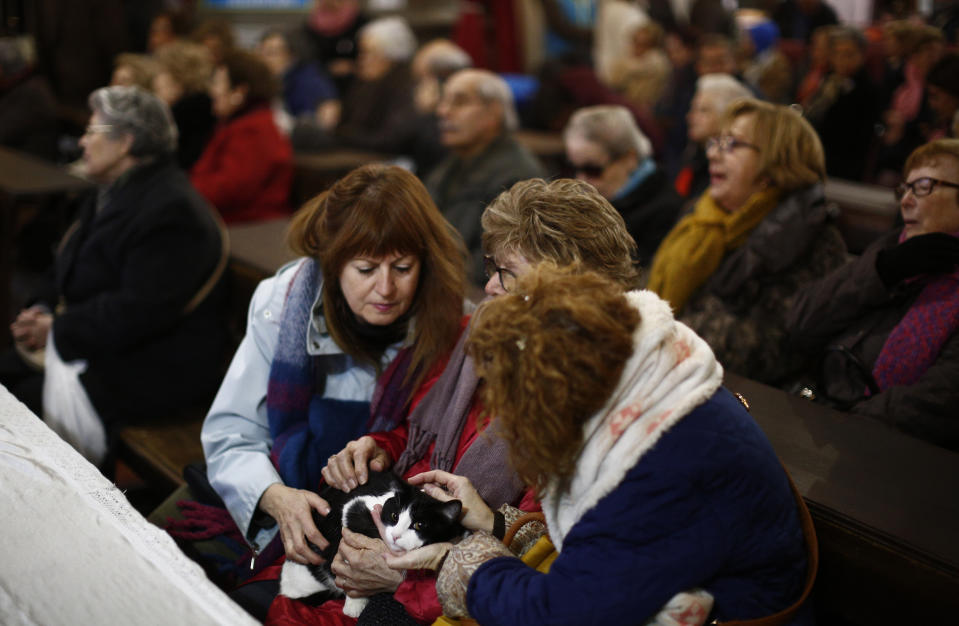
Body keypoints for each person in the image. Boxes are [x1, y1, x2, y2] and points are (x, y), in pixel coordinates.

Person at [264, 177, 641, 625]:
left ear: (566, 295)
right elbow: (419, 434)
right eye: (493, 267)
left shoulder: (591, 410)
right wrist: (380, 447)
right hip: (397, 535)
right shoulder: (474, 334)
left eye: (510, 274)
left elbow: (537, 563)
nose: (493, 288)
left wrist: (404, 579)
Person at [384, 262, 812, 625]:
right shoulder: (656, 383)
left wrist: (474, 575)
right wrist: (499, 526)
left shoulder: (650, 471)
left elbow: (565, 612)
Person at [201, 164, 466, 618]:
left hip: (378, 535)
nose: (386, 288)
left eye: (403, 267)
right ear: (332, 260)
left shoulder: (449, 327)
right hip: (279, 499)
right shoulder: (283, 303)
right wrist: (274, 497)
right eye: (365, 268)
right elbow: (231, 432)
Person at [0, 86, 227, 465]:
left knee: (18, 407)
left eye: (92, 133)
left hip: (151, 365)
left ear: (124, 142)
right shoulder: (115, 190)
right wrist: (41, 307)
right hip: (102, 340)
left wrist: (57, 328)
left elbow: (138, 310)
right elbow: (66, 261)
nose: (82, 143)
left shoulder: (173, 211)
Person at [647, 98, 847, 385]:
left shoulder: (811, 240)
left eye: (732, 144)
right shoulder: (703, 215)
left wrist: (652, 332)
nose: (714, 155)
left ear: (775, 163)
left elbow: (760, 350)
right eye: (716, 142)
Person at [786, 139, 959, 450]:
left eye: (923, 186)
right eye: (904, 189)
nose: (906, 200)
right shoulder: (892, 252)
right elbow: (800, 323)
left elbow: (939, 404)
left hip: (889, 457)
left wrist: (839, 423)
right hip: (822, 424)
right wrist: (882, 272)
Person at [426, 68, 545, 286]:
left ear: (494, 112)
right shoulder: (452, 164)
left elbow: (492, 266)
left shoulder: (516, 178)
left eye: (459, 102)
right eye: (443, 101)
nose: (443, 111)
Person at [563, 105, 680, 266]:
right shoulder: (596, 200)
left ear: (629, 159)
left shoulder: (664, 212)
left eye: (592, 170)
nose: (581, 180)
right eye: (574, 168)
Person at [190, 49, 293, 224]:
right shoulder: (244, 123)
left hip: (247, 229)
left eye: (217, 83)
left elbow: (228, 190)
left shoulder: (253, 131)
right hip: (230, 221)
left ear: (239, 91)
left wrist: (184, 192)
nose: (212, 91)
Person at [803, 26, 882, 181]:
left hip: (842, 164)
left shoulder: (868, 90)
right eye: (836, 54)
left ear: (862, 55)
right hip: (816, 152)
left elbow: (854, 138)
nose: (841, 60)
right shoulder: (829, 79)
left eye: (849, 54)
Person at [675, 73, 752, 202]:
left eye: (703, 110)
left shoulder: (727, 173)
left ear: (728, 116)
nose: (690, 117)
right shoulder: (694, 156)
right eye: (693, 109)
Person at [152, 41, 216, 171]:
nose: (155, 80)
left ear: (178, 77)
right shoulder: (205, 110)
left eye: (161, 72)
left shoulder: (182, 118)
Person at [257, 29, 338, 121]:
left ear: (291, 55)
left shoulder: (308, 80)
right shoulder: (268, 79)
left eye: (271, 53)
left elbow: (328, 110)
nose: (264, 59)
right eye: (261, 53)